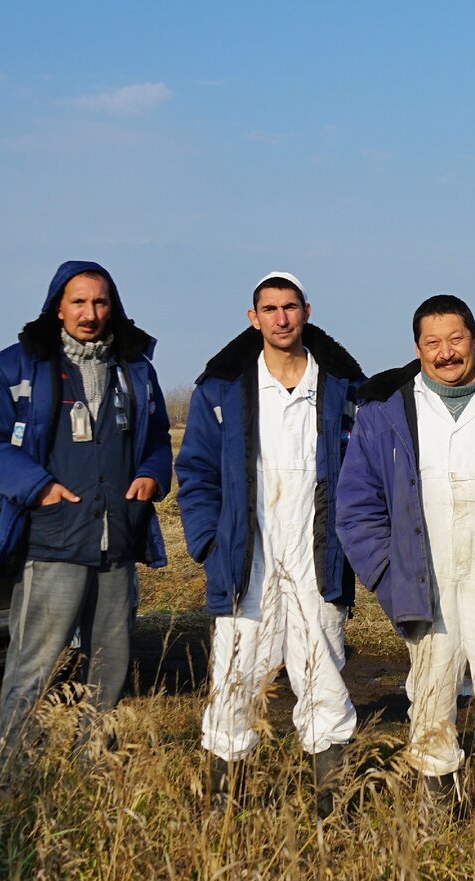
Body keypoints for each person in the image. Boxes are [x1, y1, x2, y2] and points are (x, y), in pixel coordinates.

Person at [0, 260, 172, 786]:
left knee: (109, 669)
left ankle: (92, 775)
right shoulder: (15, 367)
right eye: (78, 302)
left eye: (100, 302)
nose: (90, 313)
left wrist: (151, 475)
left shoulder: (134, 369)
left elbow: (156, 438)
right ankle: (12, 787)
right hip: (51, 541)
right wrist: (37, 486)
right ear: (58, 306)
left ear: (112, 307)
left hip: (116, 543)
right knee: (31, 670)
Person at [336, 294, 475, 812]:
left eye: (455, 339)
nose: (446, 352)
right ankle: (435, 817)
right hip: (425, 584)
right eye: (433, 343)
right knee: (429, 700)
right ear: (417, 349)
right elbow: (357, 507)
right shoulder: (387, 410)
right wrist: (390, 575)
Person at [175, 272, 362, 819]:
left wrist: (351, 546)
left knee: (323, 676)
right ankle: (224, 809)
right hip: (246, 560)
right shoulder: (225, 389)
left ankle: (333, 810)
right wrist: (209, 544)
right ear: (253, 318)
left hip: (315, 556)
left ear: (307, 311)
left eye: (290, 307)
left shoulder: (340, 387)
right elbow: (196, 473)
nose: (281, 318)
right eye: (270, 309)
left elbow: (364, 472)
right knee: (236, 678)